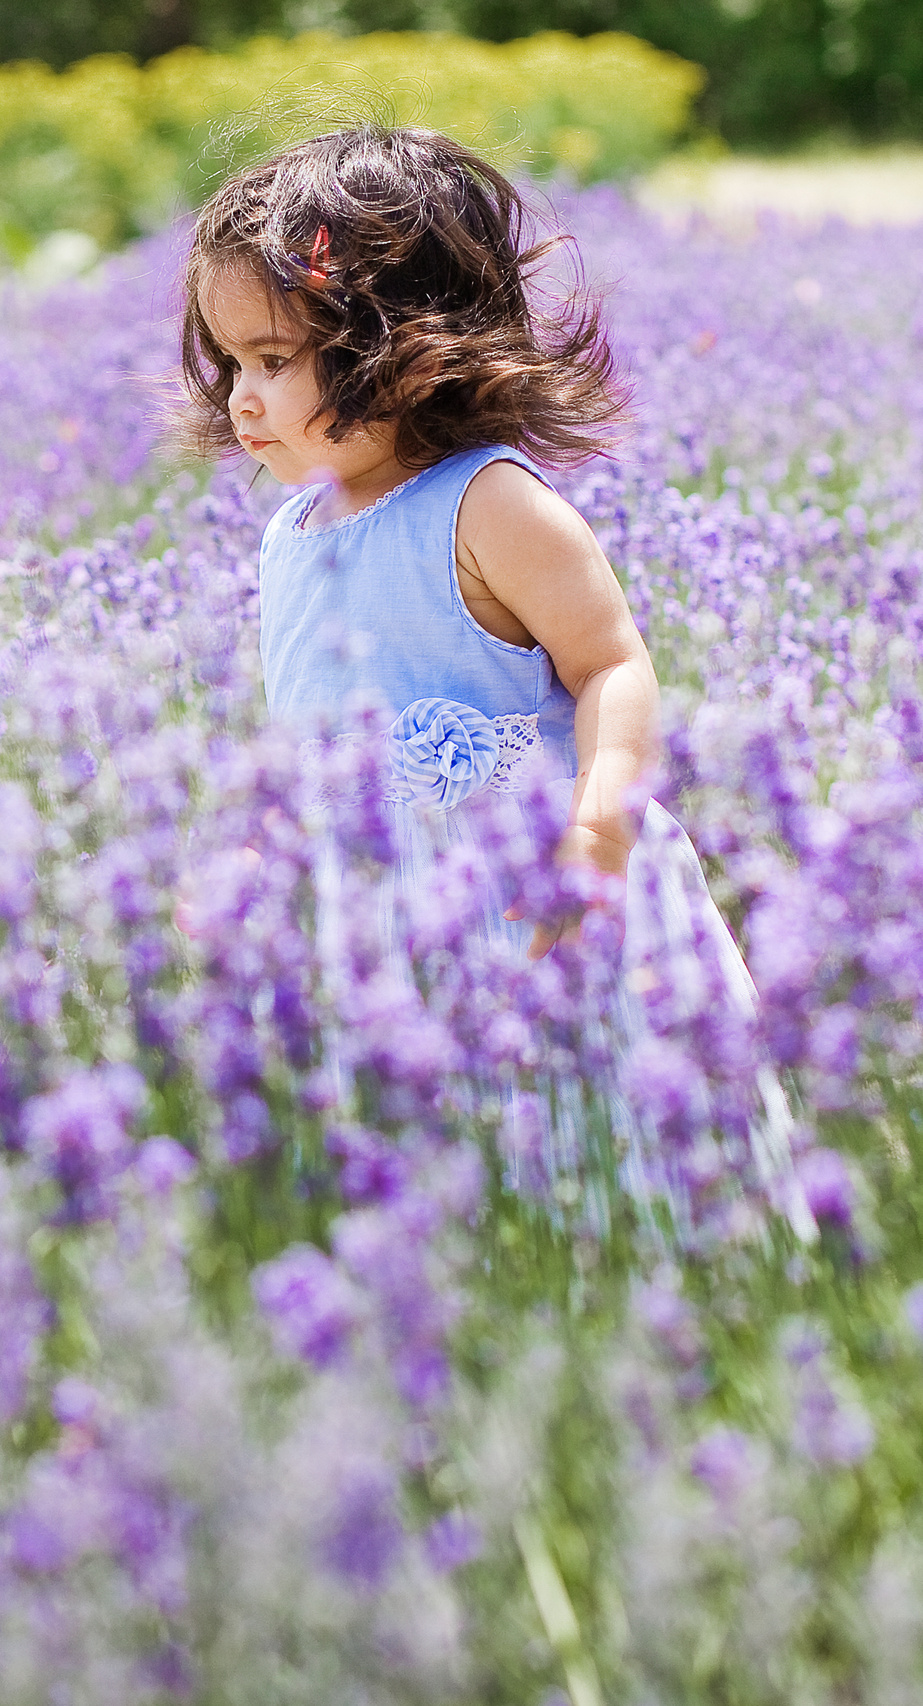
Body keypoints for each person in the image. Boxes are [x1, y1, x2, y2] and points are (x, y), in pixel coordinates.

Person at [177, 125, 804, 1234]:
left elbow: (611, 663)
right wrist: (252, 856)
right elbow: (312, 740)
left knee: (609, 1165)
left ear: (400, 344)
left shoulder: (490, 506)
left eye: (274, 360)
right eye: (231, 363)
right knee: (454, 1193)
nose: (241, 397)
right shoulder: (291, 535)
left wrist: (596, 834)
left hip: (551, 917)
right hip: (397, 930)